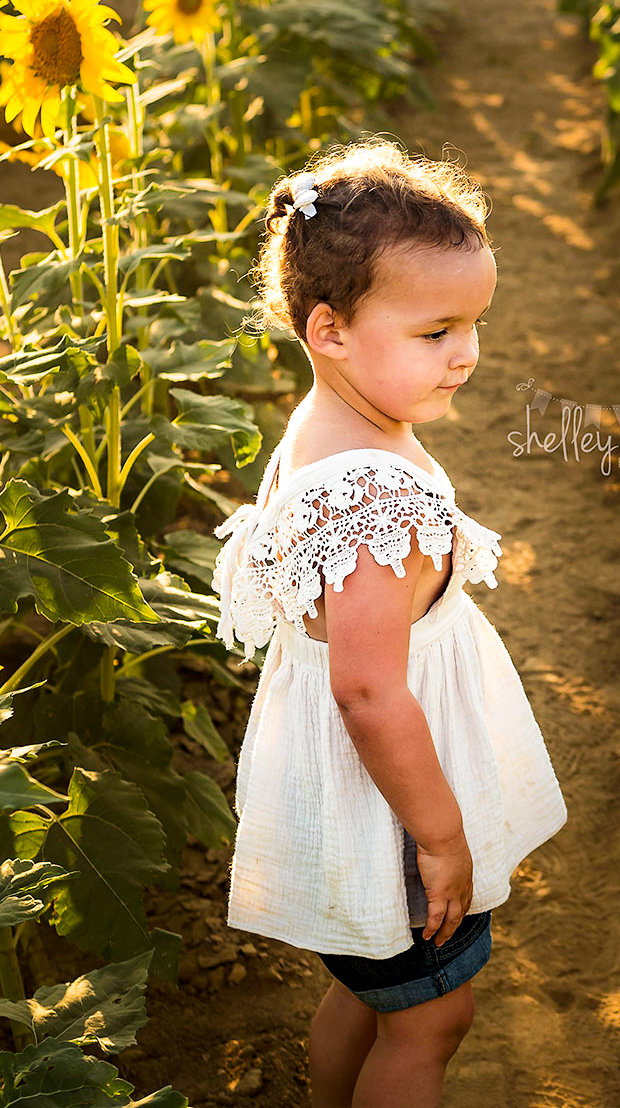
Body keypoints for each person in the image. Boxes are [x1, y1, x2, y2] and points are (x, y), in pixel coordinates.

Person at [212, 138, 568, 1108]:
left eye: (473, 323)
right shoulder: (376, 505)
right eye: (435, 331)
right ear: (328, 328)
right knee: (428, 1017)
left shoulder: (328, 424)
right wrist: (440, 834)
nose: (468, 353)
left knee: (369, 995)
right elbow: (368, 688)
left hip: (352, 794)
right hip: (389, 812)